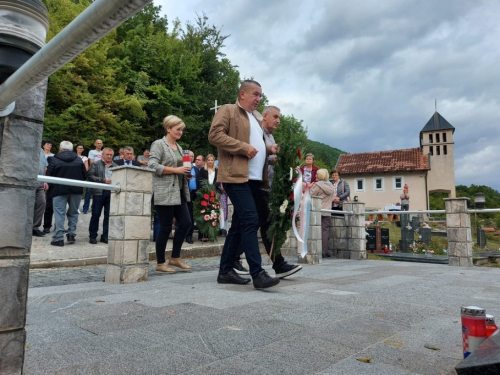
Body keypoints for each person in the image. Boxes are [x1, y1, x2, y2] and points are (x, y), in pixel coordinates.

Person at [208, 79, 280, 289]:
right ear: (242, 94)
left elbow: (255, 147)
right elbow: (214, 135)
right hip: (235, 177)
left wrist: (269, 152)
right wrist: (242, 147)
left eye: (260, 95)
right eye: (255, 94)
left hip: (254, 179)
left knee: (240, 225)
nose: (258, 98)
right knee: (250, 219)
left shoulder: (254, 119)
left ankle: (225, 271)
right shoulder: (228, 110)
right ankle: (257, 273)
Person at [233, 106, 302, 278]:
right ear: (264, 116)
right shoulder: (257, 132)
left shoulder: (270, 135)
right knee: (263, 224)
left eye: (279, 117)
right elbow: (256, 154)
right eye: (275, 116)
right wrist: (273, 157)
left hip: (265, 186)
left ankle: (231, 260)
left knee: (246, 224)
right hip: (255, 184)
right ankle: (277, 264)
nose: (278, 120)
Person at [148, 115, 193, 273]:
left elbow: (181, 168)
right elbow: (152, 165)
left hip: (179, 191)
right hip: (164, 191)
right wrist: (176, 170)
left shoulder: (179, 148)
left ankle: (175, 258)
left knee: (186, 223)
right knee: (166, 227)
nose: (180, 132)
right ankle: (160, 263)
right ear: (168, 128)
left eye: (182, 129)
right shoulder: (158, 144)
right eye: (178, 129)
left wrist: (186, 174)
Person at [45, 141, 87, 246]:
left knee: (59, 214)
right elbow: (84, 176)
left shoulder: (54, 159)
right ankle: (71, 234)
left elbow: (48, 175)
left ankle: (58, 238)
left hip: (58, 191)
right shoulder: (78, 160)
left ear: (60, 148)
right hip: (76, 190)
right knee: (73, 212)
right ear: (72, 149)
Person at [87, 147, 117, 244]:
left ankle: (105, 236)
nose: (109, 156)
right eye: (107, 154)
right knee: (95, 215)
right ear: (102, 155)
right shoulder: (95, 164)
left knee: (108, 216)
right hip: (99, 192)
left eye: (111, 155)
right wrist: (103, 180)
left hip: (111, 193)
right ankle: (92, 236)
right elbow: (90, 177)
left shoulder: (116, 166)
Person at [310, 169, 335, 258]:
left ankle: (315, 250)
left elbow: (310, 196)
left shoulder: (317, 185)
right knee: (325, 232)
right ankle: (324, 252)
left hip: (317, 212)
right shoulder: (332, 186)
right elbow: (333, 198)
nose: (315, 176)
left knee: (314, 231)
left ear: (320, 176)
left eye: (317, 175)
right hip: (327, 211)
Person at [198, 154, 219, 242]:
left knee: (213, 213)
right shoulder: (203, 170)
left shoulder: (217, 170)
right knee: (204, 213)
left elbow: (218, 180)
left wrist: (213, 189)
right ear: (206, 161)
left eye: (212, 160)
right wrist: (206, 189)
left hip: (214, 193)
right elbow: (200, 181)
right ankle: (203, 234)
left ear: (214, 161)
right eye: (209, 160)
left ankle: (212, 234)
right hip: (205, 193)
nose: (210, 162)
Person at [185, 154, 204, 244]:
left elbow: (200, 181)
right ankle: (181, 235)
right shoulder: (183, 167)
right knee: (183, 215)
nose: (191, 157)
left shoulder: (196, 169)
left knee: (191, 215)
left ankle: (189, 236)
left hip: (194, 194)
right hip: (184, 193)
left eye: (192, 156)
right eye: (189, 156)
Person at [83, 139, 104, 214]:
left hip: (101, 173)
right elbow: (92, 162)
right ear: (95, 144)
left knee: (99, 192)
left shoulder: (103, 152)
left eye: (100, 143)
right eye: (98, 143)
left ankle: (94, 207)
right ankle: (85, 208)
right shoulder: (91, 152)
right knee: (89, 191)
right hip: (93, 172)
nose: (99, 144)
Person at [33, 148, 49, 237]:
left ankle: (35, 227)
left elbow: (44, 167)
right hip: (29, 181)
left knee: (42, 202)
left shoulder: (41, 151)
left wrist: (45, 181)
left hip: (40, 181)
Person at [42, 139, 54, 233]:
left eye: (50, 145)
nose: (49, 146)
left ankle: (48, 225)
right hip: (40, 178)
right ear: (43, 145)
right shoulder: (40, 155)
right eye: (47, 144)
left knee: (49, 204)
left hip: (50, 179)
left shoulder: (53, 156)